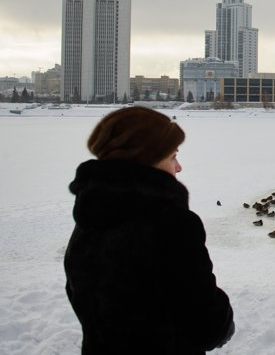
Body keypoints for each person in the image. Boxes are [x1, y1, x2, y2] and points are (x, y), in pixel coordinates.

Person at [64, 106, 234, 354]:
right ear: (148, 160)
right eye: (173, 156)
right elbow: (206, 323)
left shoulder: (89, 217)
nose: (179, 167)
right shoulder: (171, 224)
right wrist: (224, 322)